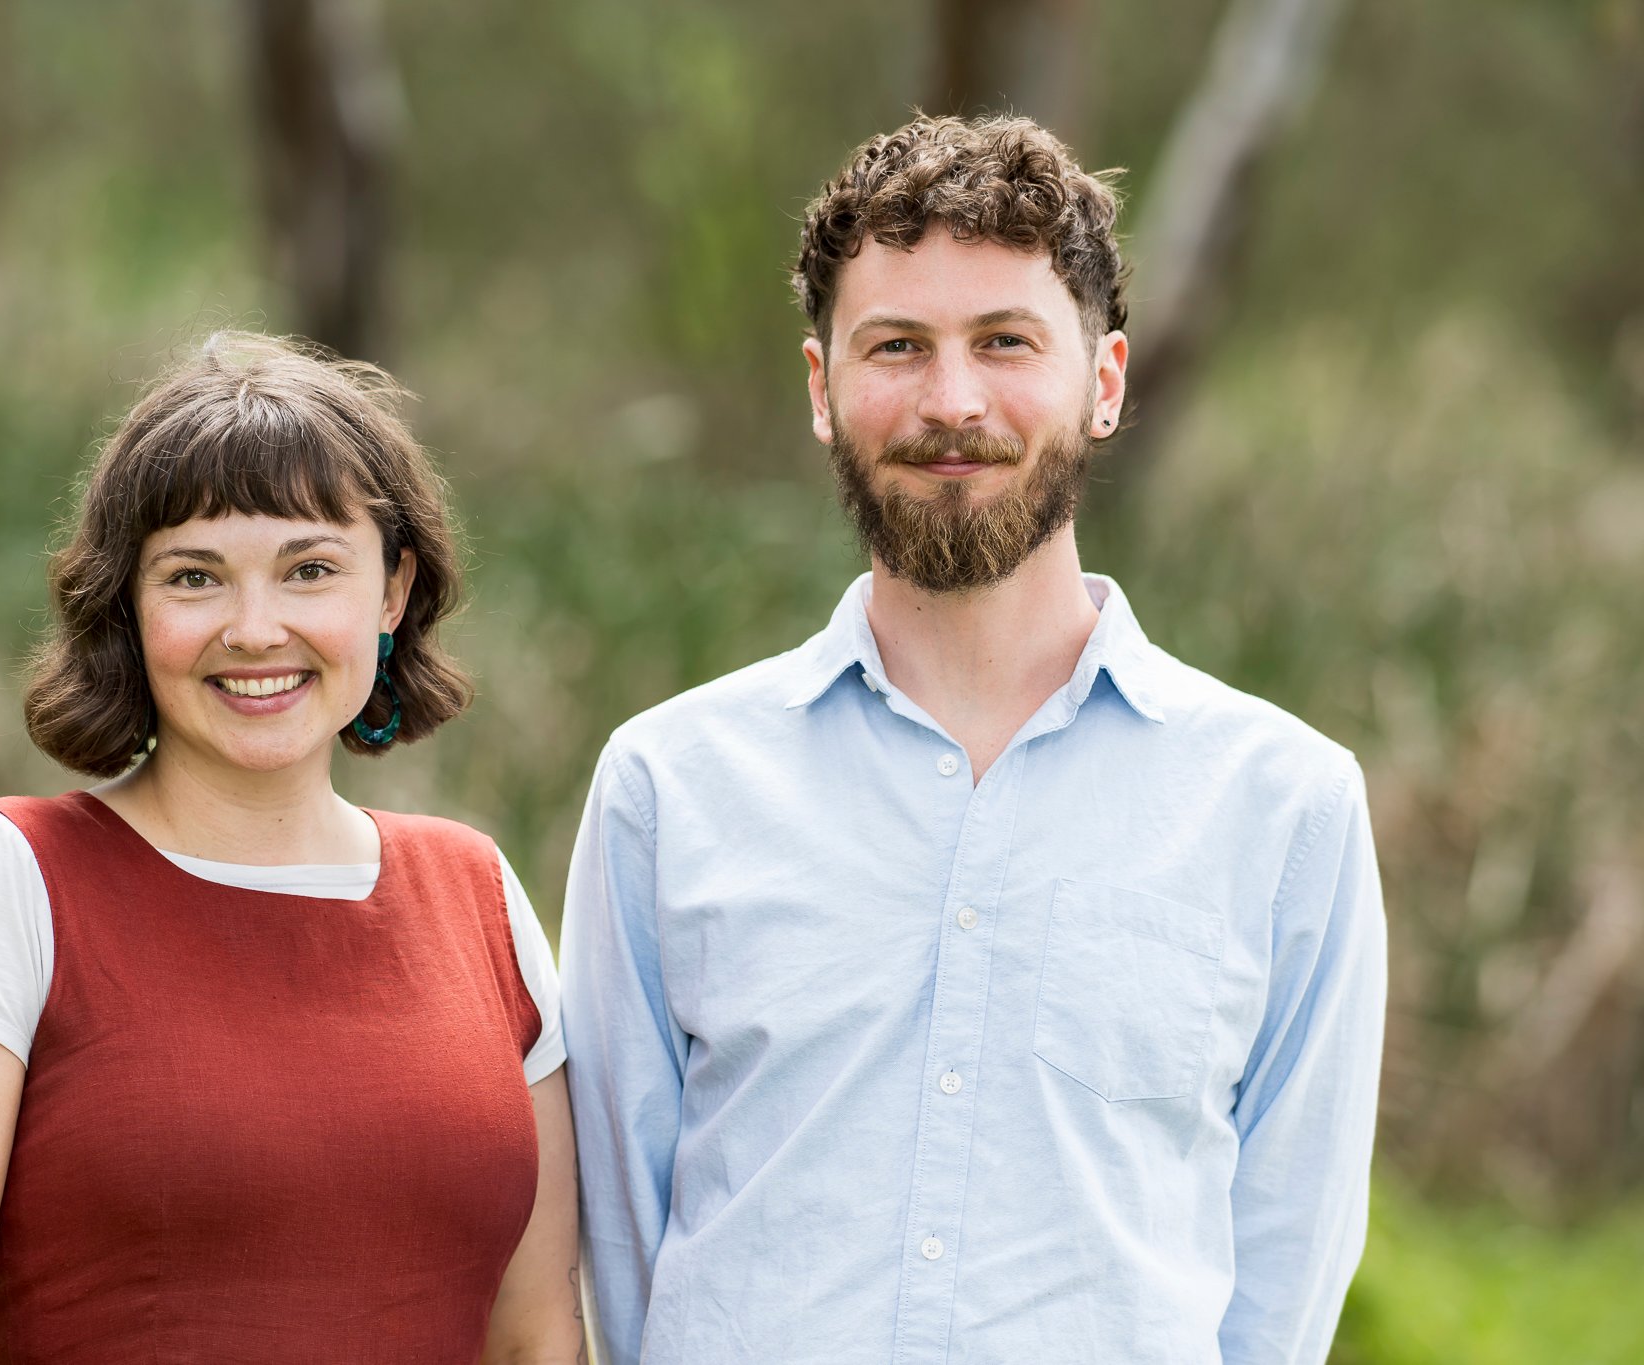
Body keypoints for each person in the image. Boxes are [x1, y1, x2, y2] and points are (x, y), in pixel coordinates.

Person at [561, 114, 1387, 1364]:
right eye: (896, 347)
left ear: (1102, 383)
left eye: (1005, 343)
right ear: (820, 389)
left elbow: (1281, 1278)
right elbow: (616, 1254)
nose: (951, 403)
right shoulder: (668, 788)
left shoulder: (1285, 808)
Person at [0, 333, 584, 1364]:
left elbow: (536, 1342)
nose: (255, 627)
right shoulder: (3, 882)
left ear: (392, 592)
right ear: (129, 606)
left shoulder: (478, 896)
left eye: (309, 568)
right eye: (194, 578)